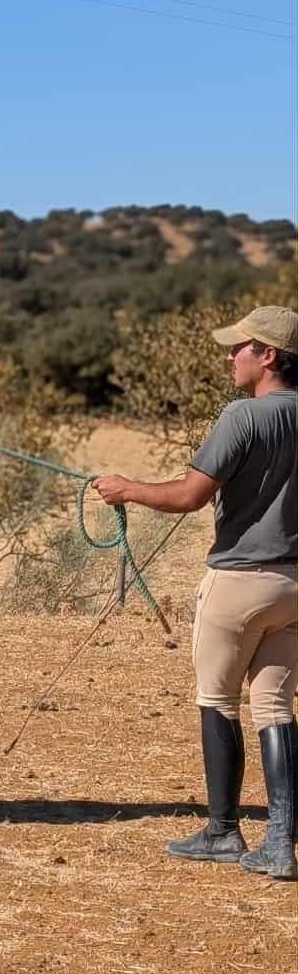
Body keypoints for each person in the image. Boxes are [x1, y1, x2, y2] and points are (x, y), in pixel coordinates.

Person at [94, 304, 296, 881]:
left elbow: (189, 496)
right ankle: (280, 845)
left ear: (269, 356)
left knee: (216, 700)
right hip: (295, 586)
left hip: (238, 582)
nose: (231, 356)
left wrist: (127, 488)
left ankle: (223, 832)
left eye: (241, 348)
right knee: (277, 708)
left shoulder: (242, 417)